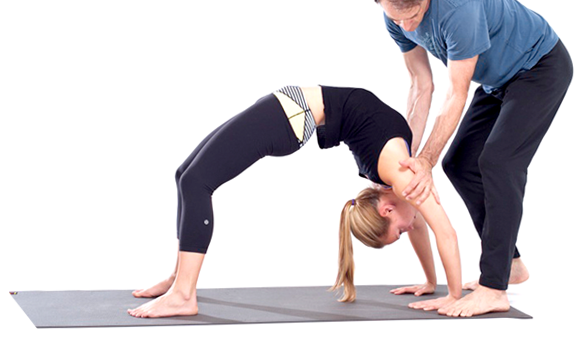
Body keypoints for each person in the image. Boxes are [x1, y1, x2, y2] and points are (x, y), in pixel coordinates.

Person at [127, 85, 461, 318]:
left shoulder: (394, 180)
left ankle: (183, 290)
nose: (409, 228)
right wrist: (449, 293)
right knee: (186, 176)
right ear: (386, 209)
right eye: (399, 233)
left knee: (195, 181)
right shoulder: (400, 176)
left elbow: (420, 224)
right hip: (291, 109)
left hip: (291, 113)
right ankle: (179, 285)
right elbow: (441, 229)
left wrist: (434, 283)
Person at [371, 0, 573, 317]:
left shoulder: (457, 10)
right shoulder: (396, 15)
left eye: (412, 16)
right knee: (461, 163)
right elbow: (421, 85)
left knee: (499, 162)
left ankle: (494, 288)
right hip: (498, 81)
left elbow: (456, 95)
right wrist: (406, 159)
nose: (404, 24)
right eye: (395, 16)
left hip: (539, 67)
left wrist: (426, 162)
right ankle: (510, 264)